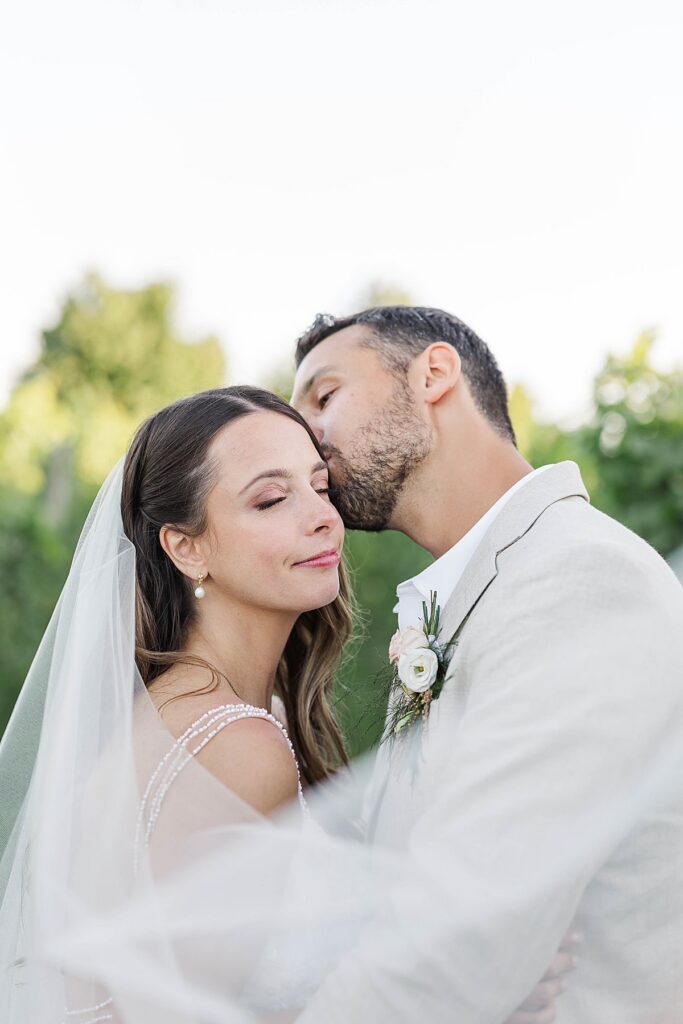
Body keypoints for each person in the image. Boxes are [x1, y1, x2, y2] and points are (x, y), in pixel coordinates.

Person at [0, 384, 566, 1023]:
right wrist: (467, 994)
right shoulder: (233, 743)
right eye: (271, 498)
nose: (324, 516)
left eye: (321, 487)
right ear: (186, 546)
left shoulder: (192, 710)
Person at [289, 305, 683, 1023]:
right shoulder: (481, 594)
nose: (308, 446)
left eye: (324, 397)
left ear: (434, 374)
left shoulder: (580, 580)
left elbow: (458, 941)